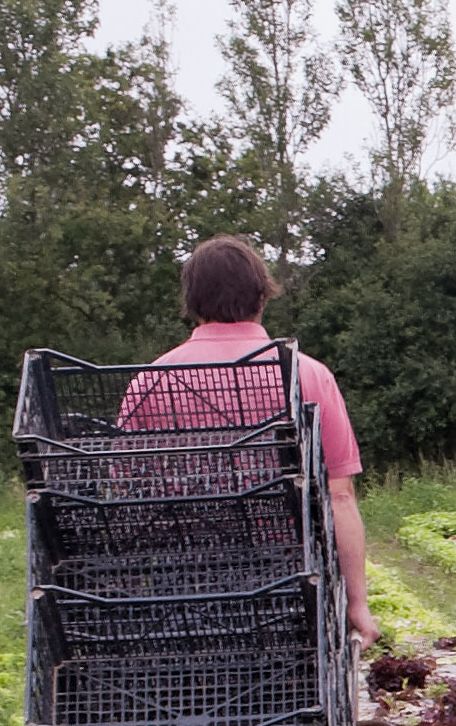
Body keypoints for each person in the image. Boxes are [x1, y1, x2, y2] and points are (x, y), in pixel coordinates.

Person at [123, 234, 374, 646]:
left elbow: (129, 500)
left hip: (185, 589)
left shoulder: (149, 382)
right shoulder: (309, 376)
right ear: (261, 296)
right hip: (292, 584)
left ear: (192, 302)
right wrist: (357, 603)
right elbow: (340, 497)